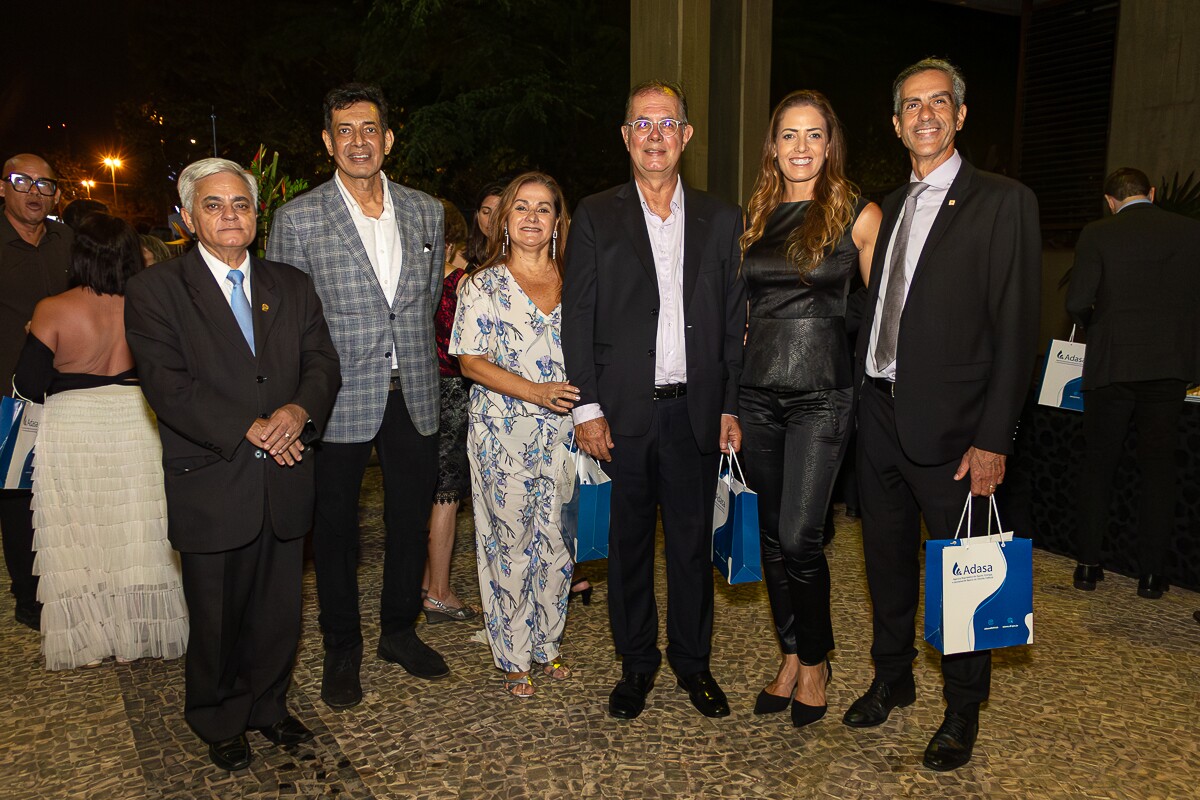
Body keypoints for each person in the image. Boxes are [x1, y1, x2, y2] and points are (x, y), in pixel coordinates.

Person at [843, 58, 1040, 772]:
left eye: (939, 103)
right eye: (911, 106)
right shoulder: (886, 207)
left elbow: (1017, 329)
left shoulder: (1004, 201)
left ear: (960, 115)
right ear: (896, 124)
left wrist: (994, 440)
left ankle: (962, 710)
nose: (925, 114)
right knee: (885, 563)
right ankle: (892, 677)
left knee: (966, 571)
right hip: (880, 416)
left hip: (957, 431)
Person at [125, 158, 340, 771]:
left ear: (257, 214)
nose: (229, 216)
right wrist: (249, 427)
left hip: (287, 472)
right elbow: (167, 386)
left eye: (240, 204)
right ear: (189, 218)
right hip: (214, 480)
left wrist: (298, 411)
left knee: (279, 612)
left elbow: (323, 361)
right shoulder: (156, 291)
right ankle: (218, 716)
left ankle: (268, 706)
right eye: (214, 205)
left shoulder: (290, 284)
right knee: (217, 615)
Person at [562, 80, 746, 720]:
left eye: (667, 123)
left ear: (686, 136)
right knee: (630, 548)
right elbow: (577, 317)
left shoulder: (721, 220)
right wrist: (586, 407)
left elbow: (731, 319)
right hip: (622, 416)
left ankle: (694, 665)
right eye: (643, 123)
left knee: (693, 548)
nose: (655, 134)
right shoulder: (594, 215)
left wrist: (729, 404)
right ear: (625, 136)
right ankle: (637, 665)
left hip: (694, 412)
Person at [267, 83, 448, 710]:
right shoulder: (298, 220)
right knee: (336, 531)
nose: (359, 141)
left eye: (369, 129)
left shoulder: (427, 212)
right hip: (337, 397)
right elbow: (286, 323)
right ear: (327, 141)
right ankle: (342, 648)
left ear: (389, 138)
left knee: (409, 523)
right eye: (345, 130)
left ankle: (399, 631)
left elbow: (421, 305)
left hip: (415, 391)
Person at [738, 90, 881, 727]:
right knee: (772, 538)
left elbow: (885, 314)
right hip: (756, 394)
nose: (801, 147)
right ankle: (792, 653)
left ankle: (818, 659)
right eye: (789, 135)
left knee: (801, 536)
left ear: (831, 143)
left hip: (823, 395)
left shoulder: (858, 212)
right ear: (773, 146)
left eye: (813, 135)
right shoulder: (757, 213)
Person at [14, 212, 187, 670]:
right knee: (139, 526)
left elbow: (29, 385)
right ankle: (146, 629)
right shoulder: (147, 304)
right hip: (136, 420)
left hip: (75, 425)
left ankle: (92, 635)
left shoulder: (53, 309)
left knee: (80, 527)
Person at [451, 171, 577, 697]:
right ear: (504, 219)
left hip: (568, 434)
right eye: (520, 207)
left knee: (559, 541)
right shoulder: (482, 285)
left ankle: (546, 645)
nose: (531, 217)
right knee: (510, 544)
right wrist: (536, 391)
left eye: (542, 208)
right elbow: (470, 362)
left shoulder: (577, 280)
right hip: (503, 431)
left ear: (556, 221)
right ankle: (511, 654)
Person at [1066, 167, 1200, 599]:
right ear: (1153, 193)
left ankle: (1088, 566)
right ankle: (1151, 576)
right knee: (1158, 470)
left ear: (1110, 200)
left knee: (1099, 467)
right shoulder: (1190, 231)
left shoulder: (1097, 233)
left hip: (1112, 365)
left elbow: (1076, 302)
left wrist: (1101, 326)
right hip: (1169, 366)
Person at [0, 154, 73, 631]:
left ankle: (64, 581)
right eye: (23, 181)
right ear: (2, 186)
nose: (35, 191)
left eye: (45, 184)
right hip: (9, 394)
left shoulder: (68, 241)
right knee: (15, 494)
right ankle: (27, 593)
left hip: (69, 389)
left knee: (63, 490)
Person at [421, 198, 476, 623]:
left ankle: (428, 581)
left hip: (424, 393)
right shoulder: (462, 284)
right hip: (457, 393)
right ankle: (438, 592)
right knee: (447, 496)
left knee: (435, 491)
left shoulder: (417, 284)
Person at [465, 181, 505, 268]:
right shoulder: (462, 257)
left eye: (499, 214)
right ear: (477, 215)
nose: (491, 220)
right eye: (486, 212)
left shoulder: (521, 259)